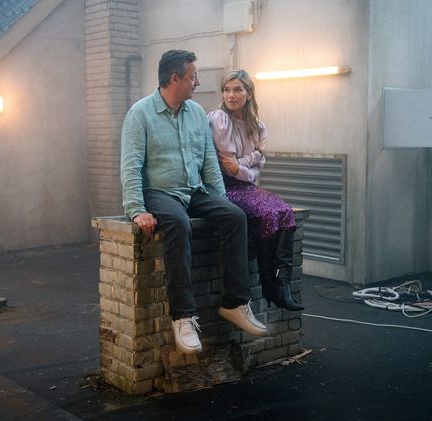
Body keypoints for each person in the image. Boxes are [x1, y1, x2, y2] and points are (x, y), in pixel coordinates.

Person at [120, 51, 268, 355]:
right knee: (178, 223)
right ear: (175, 78)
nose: (197, 82)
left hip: (194, 189)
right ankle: (183, 317)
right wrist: (136, 209)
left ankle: (235, 303)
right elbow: (130, 165)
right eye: (193, 77)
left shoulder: (197, 113)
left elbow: (210, 161)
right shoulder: (140, 113)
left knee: (235, 216)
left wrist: (220, 201)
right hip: (159, 191)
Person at [207, 69, 304, 311]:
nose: (231, 95)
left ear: (249, 93)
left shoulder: (258, 127)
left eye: (237, 89)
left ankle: (281, 285)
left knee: (285, 212)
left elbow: (253, 170)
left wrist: (244, 166)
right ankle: (269, 283)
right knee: (267, 213)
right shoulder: (219, 119)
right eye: (226, 90)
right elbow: (228, 168)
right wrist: (254, 156)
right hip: (223, 187)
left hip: (247, 186)